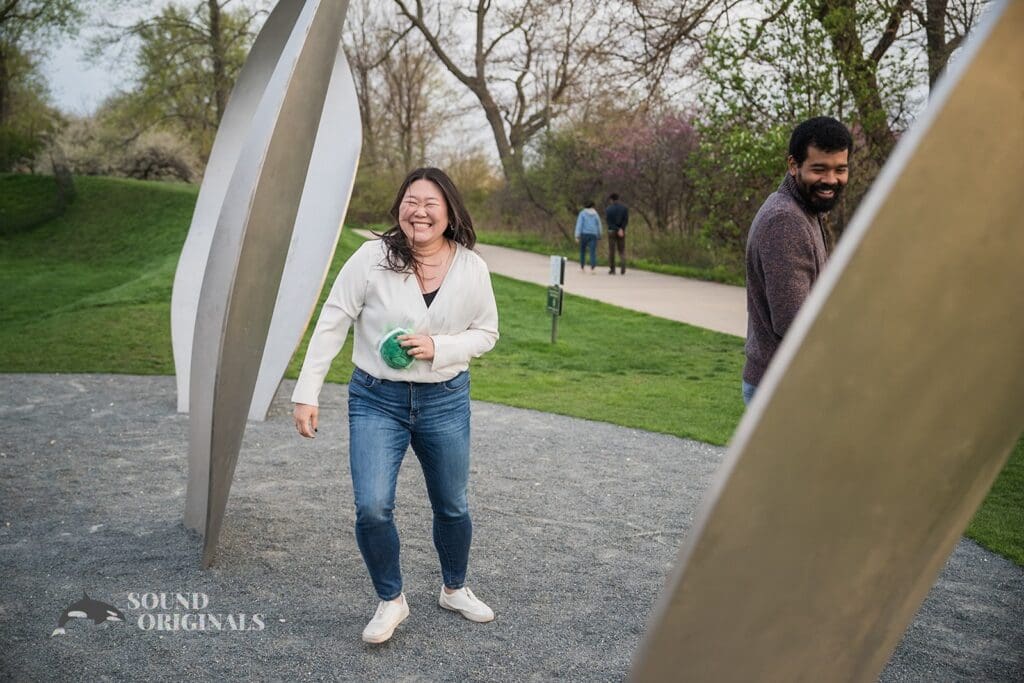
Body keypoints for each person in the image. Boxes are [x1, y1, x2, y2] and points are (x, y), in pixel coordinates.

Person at [291, 167, 500, 644]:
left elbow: (487, 332)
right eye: (411, 201)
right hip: (375, 399)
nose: (419, 211)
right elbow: (333, 319)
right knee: (371, 508)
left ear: (449, 212)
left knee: (451, 505)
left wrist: (440, 347)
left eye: (430, 203)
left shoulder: (472, 267)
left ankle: (454, 588)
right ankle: (391, 599)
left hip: (444, 400)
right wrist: (307, 391)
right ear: (399, 208)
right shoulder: (371, 258)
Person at [743, 116, 852, 405]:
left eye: (840, 169)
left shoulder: (804, 211)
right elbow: (792, 321)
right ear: (794, 165)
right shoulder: (786, 221)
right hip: (782, 390)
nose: (831, 180)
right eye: (819, 169)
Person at [574, 200, 602, 273]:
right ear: (593, 206)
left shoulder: (582, 213)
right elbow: (599, 225)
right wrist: (599, 235)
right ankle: (593, 268)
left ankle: (582, 268)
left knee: (583, 251)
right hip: (593, 235)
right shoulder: (596, 214)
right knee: (592, 252)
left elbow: (579, 224)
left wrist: (577, 235)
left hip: (584, 234)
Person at [605, 193, 629, 274]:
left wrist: (616, 228)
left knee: (612, 251)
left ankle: (612, 269)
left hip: (612, 231)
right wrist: (621, 229)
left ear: (611, 200)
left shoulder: (608, 209)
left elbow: (609, 222)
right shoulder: (624, 208)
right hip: (622, 232)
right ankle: (623, 267)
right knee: (621, 250)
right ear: (618, 199)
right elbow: (626, 220)